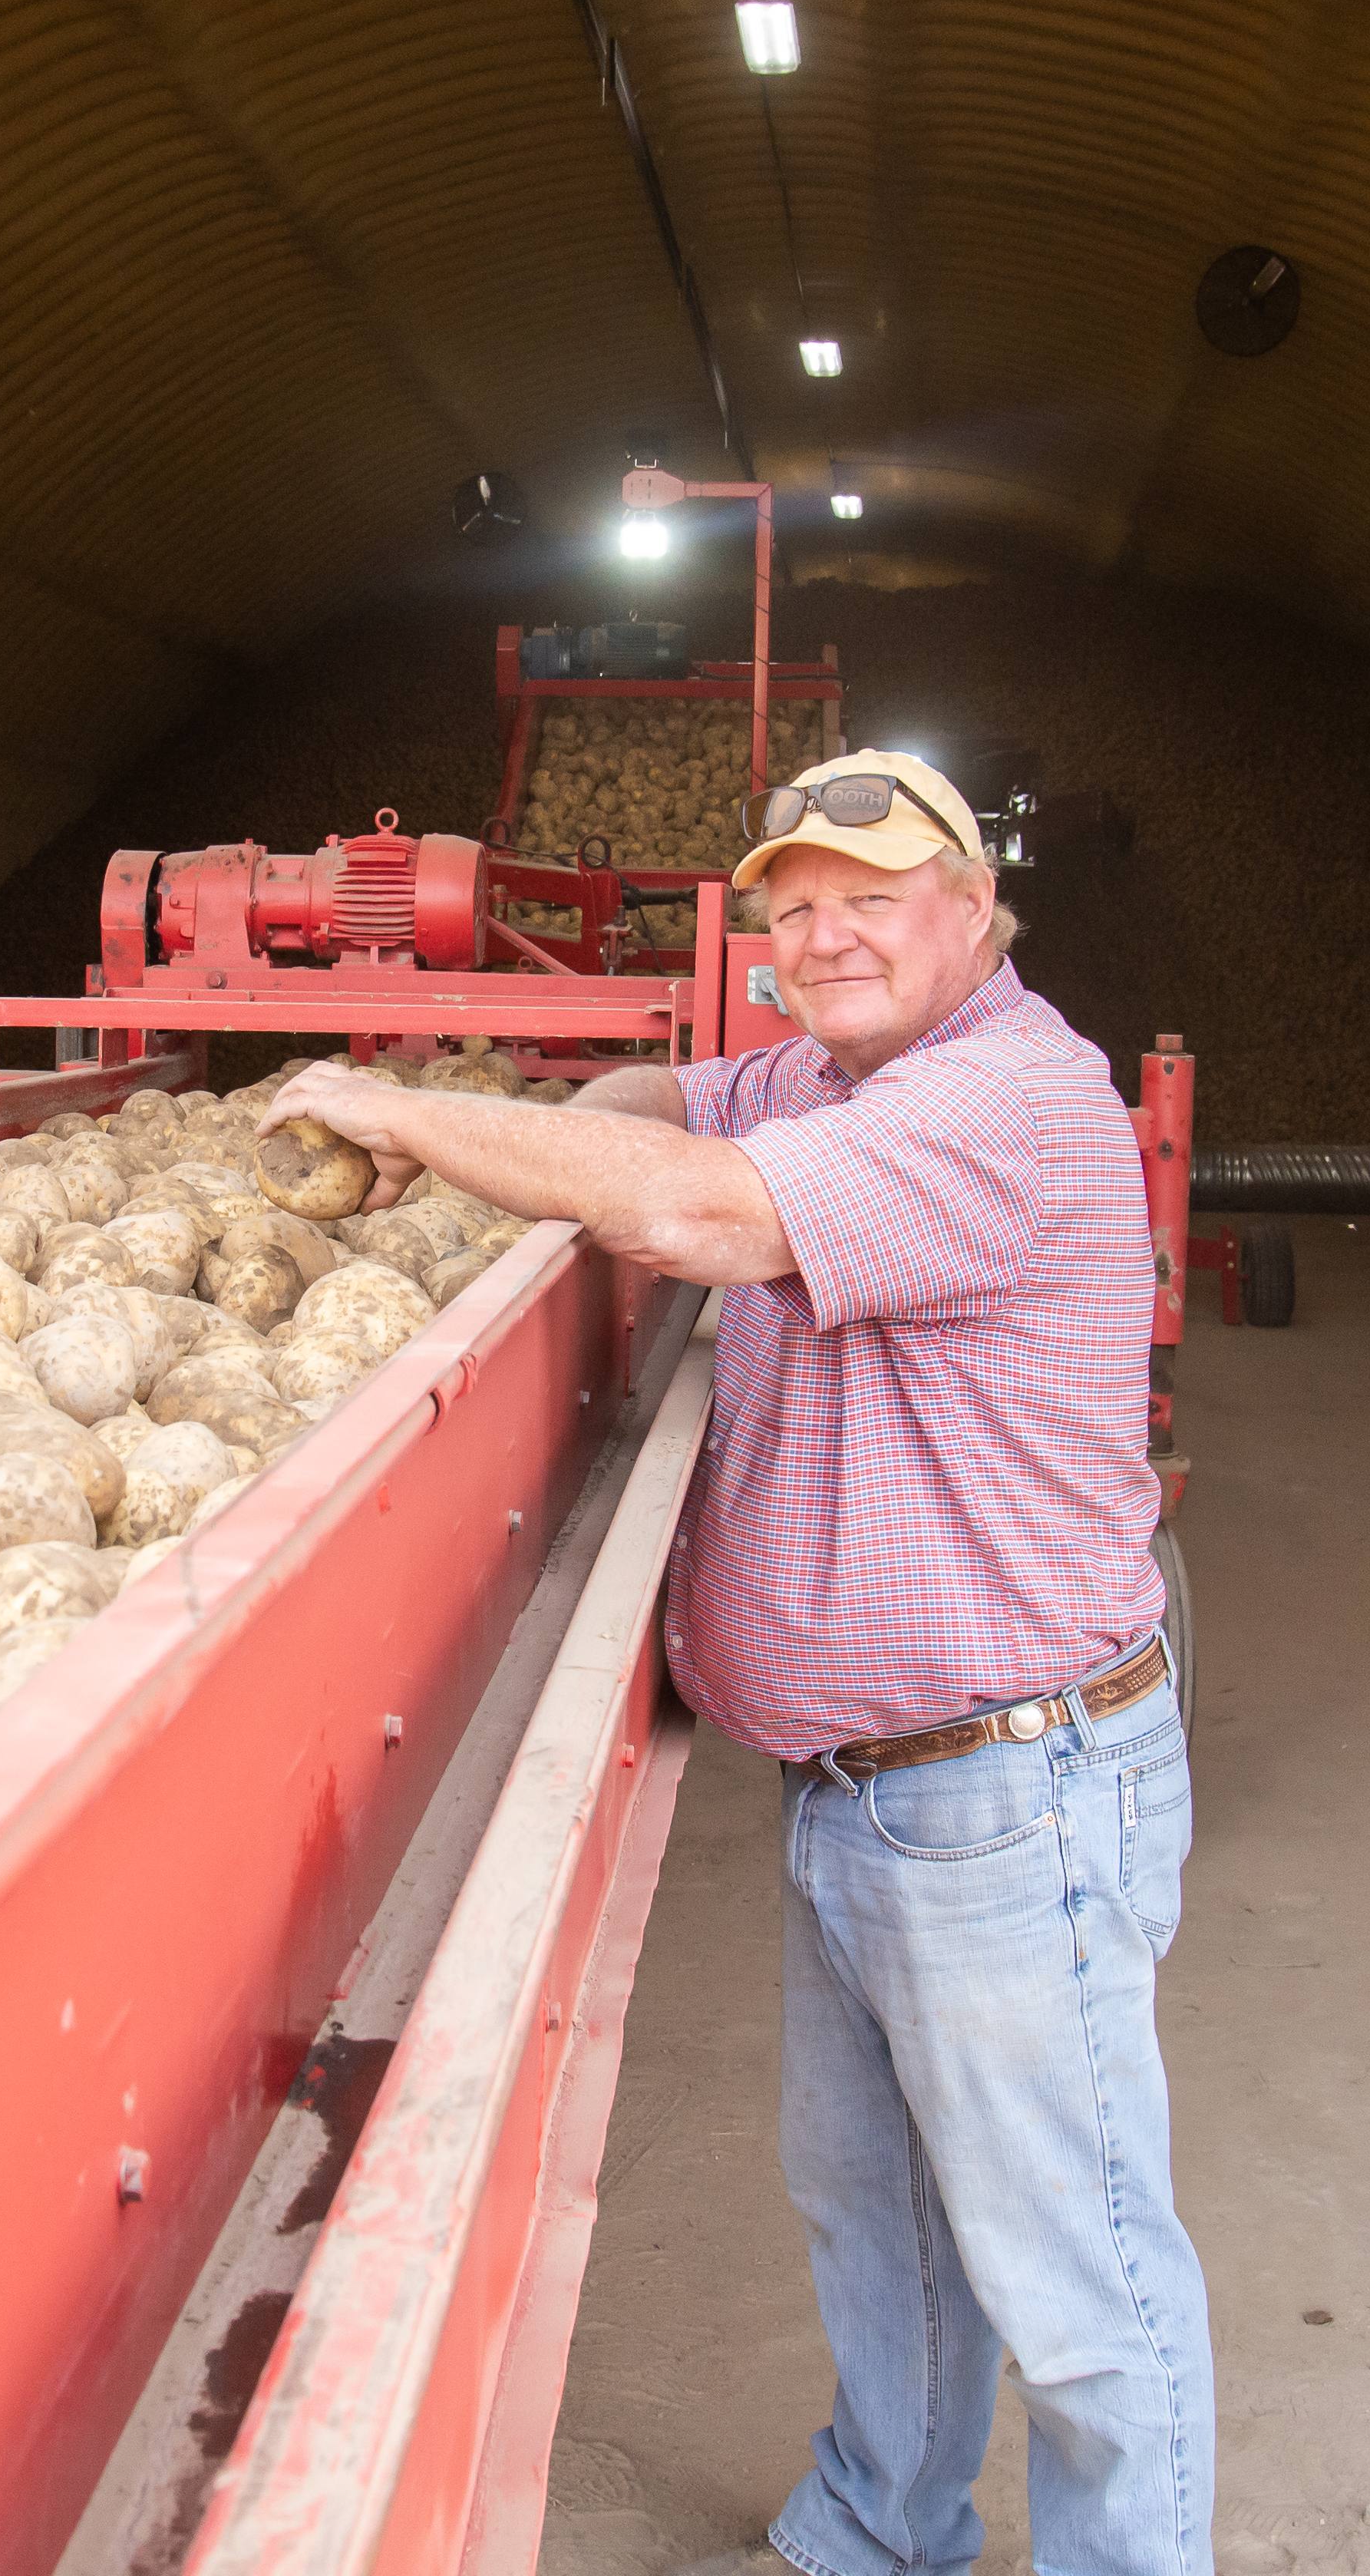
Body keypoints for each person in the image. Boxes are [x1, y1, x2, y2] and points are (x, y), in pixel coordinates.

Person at [258, 751, 1207, 2576]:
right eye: (797, 905)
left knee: (1076, 2269)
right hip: (874, 1788)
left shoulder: (1006, 1096)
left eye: (875, 893)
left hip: (1006, 1789)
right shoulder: (832, 1071)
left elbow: (700, 1211)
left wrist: (391, 1099)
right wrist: (495, 1106)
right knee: (882, 2221)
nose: (828, 930)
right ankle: (876, 2529)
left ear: (976, 914)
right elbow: (667, 1102)